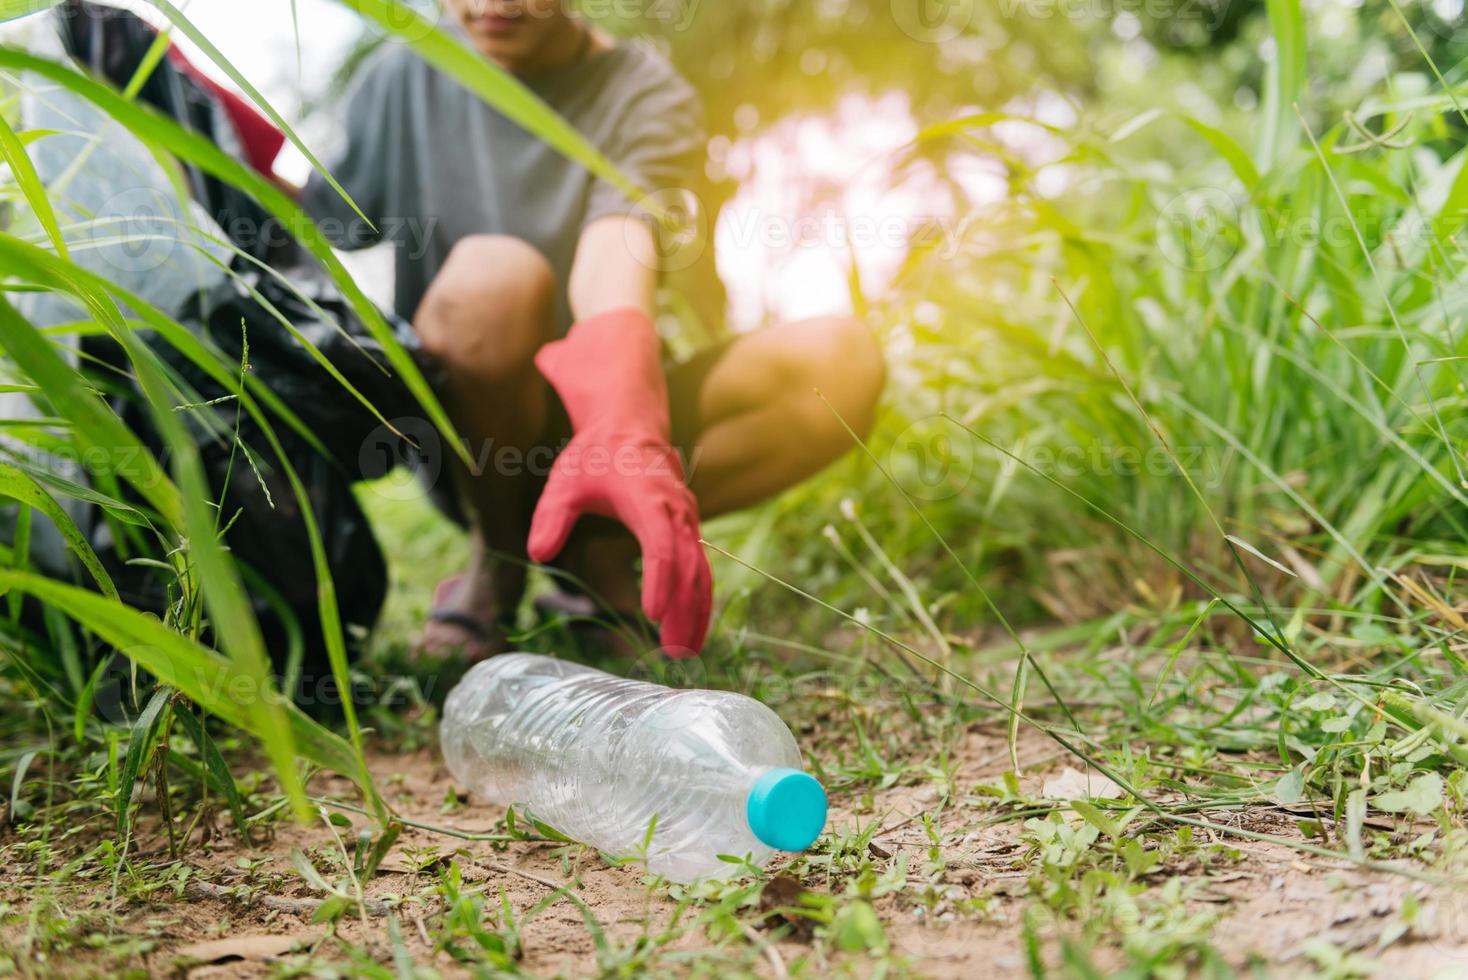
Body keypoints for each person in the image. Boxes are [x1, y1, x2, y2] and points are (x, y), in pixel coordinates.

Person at [294, 0, 887, 660]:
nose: (492, 7)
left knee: (840, 359)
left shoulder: (643, 93)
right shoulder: (403, 74)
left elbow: (617, 241)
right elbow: (318, 225)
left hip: (607, 409)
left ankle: (598, 544)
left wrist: (623, 428)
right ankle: (500, 556)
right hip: (469, 438)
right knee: (497, 277)